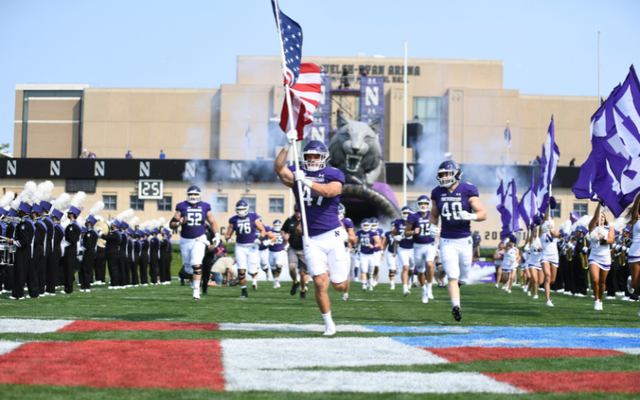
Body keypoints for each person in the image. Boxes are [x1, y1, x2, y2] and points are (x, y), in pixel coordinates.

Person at [274, 137, 350, 336]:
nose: (313, 159)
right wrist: (287, 145)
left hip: (332, 236)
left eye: (317, 156)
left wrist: (305, 181)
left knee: (340, 286)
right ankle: (329, 323)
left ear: (324, 157)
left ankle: (341, 268)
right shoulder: (298, 172)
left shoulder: (333, 173)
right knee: (318, 282)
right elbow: (278, 169)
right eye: (309, 156)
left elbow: (328, 191)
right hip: (311, 239)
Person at [429, 160, 487, 322]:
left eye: (447, 174)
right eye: (442, 174)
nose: (444, 177)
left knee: (464, 275)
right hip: (447, 240)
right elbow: (434, 214)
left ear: (456, 174)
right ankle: (456, 306)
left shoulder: (467, 189)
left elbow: (483, 213)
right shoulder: (437, 192)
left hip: (464, 240)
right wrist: (432, 226)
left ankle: (460, 284)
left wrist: (471, 216)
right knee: (452, 276)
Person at [170, 186, 220, 301]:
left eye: (195, 194)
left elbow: (212, 221)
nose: (193, 196)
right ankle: (193, 282)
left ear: (199, 195)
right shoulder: (181, 206)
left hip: (199, 238)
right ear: (188, 195)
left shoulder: (205, 206)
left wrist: (217, 234)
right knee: (188, 269)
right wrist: (179, 223)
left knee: (196, 262)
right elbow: (171, 224)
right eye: (191, 194)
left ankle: (196, 291)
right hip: (185, 240)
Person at [225, 200, 271, 296]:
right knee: (241, 270)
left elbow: (262, 229)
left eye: (243, 209)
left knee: (252, 271)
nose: (241, 211)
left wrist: (260, 238)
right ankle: (244, 291)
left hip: (252, 246)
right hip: (240, 247)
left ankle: (256, 276)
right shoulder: (233, 220)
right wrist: (228, 239)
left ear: (247, 209)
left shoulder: (253, 216)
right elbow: (228, 234)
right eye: (239, 209)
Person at [405, 195, 437, 303]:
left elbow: (436, 226)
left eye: (425, 203)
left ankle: (429, 288)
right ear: (418, 205)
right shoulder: (413, 216)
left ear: (428, 205)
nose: (423, 205)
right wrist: (413, 232)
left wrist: (436, 231)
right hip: (418, 246)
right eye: (421, 203)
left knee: (430, 264)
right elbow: (406, 233)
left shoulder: (432, 215)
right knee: (420, 271)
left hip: (430, 244)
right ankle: (423, 290)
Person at [588, 203, 614, 310]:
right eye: (599, 216)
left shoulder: (609, 228)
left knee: (602, 282)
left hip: (605, 257)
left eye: (603, 216)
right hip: (594, 257)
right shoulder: (592, 228)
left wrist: (603, 239)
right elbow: (594, 217)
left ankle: (600, 300)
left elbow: (611, 240)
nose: (601, 218)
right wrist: (600, 204)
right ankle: (596, 299)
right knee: (595, 280)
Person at [282, 204, 308, 298]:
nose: (298, 214)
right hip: (292, 248)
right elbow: (282, 230)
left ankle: (303, 290)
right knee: (292, 267)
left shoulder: (307, 220)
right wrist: (285, 236)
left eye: (300, 211)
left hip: (304, 250)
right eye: (297, 211)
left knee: (302, 273)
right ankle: (295, 282)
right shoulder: (290, 220)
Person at [392, 206, 415, 297]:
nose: (406, 215)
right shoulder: (398, 222)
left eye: (408, 213)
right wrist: (395, 237)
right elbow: (393, 233)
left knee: (411, 269)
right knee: (405, 267)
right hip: (402, 248)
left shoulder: (415, 222)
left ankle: (409, 279)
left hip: (413, 248)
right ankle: (405, 288)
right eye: (404, 213)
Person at [355, 218, 381, 291]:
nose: (366, 227)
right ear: (362, 225)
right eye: (364, 225)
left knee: (370, 272)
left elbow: (379, 243)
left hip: (371, 254)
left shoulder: (372, 233)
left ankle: (370, 284)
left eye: (367, 225)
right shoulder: (359, 232)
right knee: (363, 270)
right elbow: (358, 241)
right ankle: (364, 285)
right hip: (363, 254)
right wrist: (354, 247)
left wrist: (374, 246)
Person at [268, 219, 287, 289]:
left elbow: (286, 239)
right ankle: (275, 280)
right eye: (276, 225)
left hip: (280, 251)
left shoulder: (283, 232)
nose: (277, 227)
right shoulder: (271, 232)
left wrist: (285, 246)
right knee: (273, 268)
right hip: (271, 251)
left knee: (278, 266)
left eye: (278, 225)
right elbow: (267, 239)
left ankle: (277, 279)